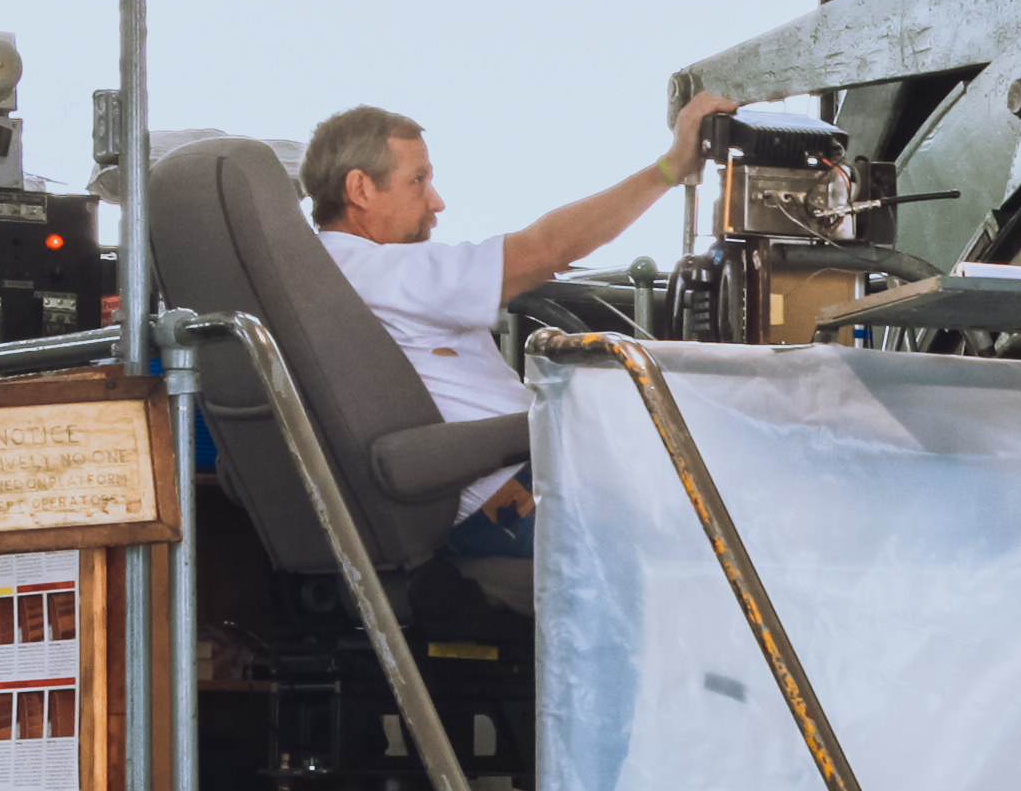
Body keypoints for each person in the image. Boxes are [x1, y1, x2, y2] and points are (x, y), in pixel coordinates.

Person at [300, 91, 739, 527]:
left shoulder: (329, 270)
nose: (436, 202)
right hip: (510, 490)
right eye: (418, 181)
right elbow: (546, 250)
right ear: (360, 189)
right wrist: (670, 167)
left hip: (511, 474)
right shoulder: (374, 270)